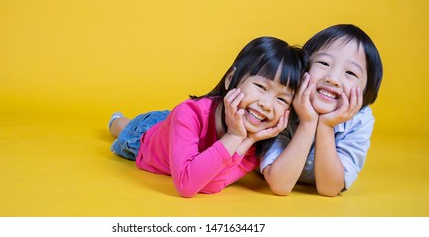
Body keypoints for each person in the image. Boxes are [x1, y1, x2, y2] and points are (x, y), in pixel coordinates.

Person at [109, 37, 306, 198]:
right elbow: (186, 185)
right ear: (230, 79)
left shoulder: (256, 143)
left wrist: (246, 139)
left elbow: (208, 186)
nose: (266, 104)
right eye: (261, 87)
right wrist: (236, 136)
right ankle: (118, 119)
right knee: (121, 126)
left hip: (181, 129)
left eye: (281, 99)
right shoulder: (189, 113)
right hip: (146, 137)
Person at [259, 24, 383, 197]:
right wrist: (308, 123)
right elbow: (280, 184)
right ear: (303, 68)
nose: (332, 79)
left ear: (366, 90)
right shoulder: (284, 101)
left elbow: (329, 189)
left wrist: (326, 127)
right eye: (324, 63)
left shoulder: (360, 120)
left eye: (350, 73)